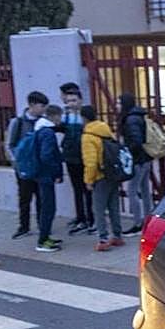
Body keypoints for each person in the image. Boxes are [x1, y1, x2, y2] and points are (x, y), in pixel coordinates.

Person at [80, 105, 125, 252]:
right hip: (113, 174)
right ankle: (117, 236)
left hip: (100, 176)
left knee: (98, 209)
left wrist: (88, 180)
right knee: (114, 206)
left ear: (84, 118)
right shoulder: (105, 130)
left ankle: (103, 239)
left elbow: (91, 162)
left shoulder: (88, 136)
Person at [6, 91, 46, 238]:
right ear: (32, 105)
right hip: (23, 168)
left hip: (39, 167)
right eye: (41, 106)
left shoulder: (42, 122)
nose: (43, 110)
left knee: (41, 197)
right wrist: (17, 164)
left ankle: (43, 225)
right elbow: (9, 145)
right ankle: (24, 226)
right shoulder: (17, 122)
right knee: (25, 198)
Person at [58, 82, 93, 235]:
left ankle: (91, 219)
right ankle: (80, 218)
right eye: (68, 101)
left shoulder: (85, 116)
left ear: (80, 100)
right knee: (77, 189)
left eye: (74, 100)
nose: (71, 103)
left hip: (85, 158)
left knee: (88, 189)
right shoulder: (66, 116)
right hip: (71, 158)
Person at [31, 105, 65, 252]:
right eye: (60, 117)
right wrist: (55, 172)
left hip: (41, 174)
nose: (60, 120)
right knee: (48, 208)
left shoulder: (39, 129)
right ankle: (43, 241)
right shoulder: (47, 133)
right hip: (46, 176)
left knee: (47, 207)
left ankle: (45, 237)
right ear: (55, 116)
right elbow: (47, 156)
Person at [119, 92, 152, 234]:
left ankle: (138, 223)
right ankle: (149, 220)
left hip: (137, 160)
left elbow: (136, 141)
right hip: (145, 158)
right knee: (145, 190)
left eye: (119, 102)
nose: (117, 105)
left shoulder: (130, 119)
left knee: (132, 191)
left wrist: (126, 151)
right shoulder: (138, 116)